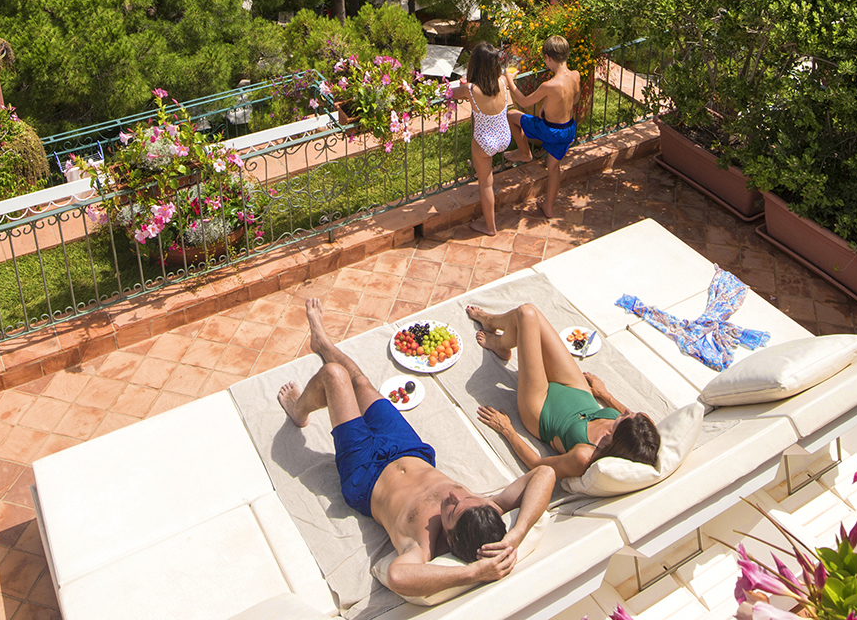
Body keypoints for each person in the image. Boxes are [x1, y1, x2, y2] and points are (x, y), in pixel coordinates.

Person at [278, 298, 555, 599]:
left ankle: (299, 410)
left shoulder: (423, 546)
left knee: (335, 376)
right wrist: (516, 533)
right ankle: (321, 341)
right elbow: (544, 473)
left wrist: (474, 573)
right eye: (465, 495)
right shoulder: (484, 510)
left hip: (366, 473)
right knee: (359, 381)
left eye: (451, 509)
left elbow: (397, 575)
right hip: (407, 448)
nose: (454, 494)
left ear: (450, 538)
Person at [468, 302, 661, 478]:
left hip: (541, 408)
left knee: (526, 315)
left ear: (619, 437)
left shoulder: (584, 456)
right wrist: (605, 395)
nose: (626, 410)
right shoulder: (637, 431)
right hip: (578, 390)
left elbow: (537, 465)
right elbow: (629, 418)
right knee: (531, 311)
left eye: (627, 416)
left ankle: (498, 341)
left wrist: (507, 430)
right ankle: (492, 326)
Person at [502, 36, 582, 218]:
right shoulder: (576, 75)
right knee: (553, 168)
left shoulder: (549, 85)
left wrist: (509, 79)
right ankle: (548, 207)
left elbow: (522, 100)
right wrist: (548, 106)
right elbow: (574, 100)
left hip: (550, 130)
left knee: (511, 115)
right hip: (568, 130)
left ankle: (524, 153)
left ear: (548, 58)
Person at [453, 42, 514, 236]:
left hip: (484, 141)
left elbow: (448, 94)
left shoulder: (470, 90)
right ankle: (478, 165)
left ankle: (490, 227)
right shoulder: (503, 81)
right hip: (504, 136)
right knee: (484, 170)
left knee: (486, 184)